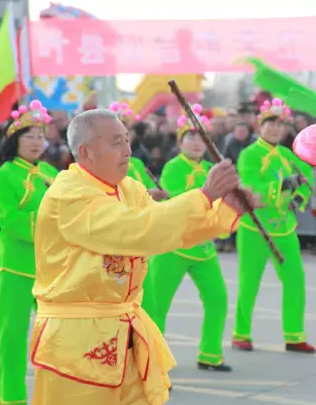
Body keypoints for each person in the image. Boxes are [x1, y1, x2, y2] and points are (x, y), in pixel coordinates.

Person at [29, 109, 259, 405]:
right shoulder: (70, 194)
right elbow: (137, 230)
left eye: (127, 140)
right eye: (115, 143)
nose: (128, 150)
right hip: (77, 341)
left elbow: (166, 227)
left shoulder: (128, 189)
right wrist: (203, 196)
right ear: (86, 152)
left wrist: (226, 210)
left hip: (125, 332)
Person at [142, 106, 232, 372]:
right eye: (190, 137)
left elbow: (223, 202)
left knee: (218, 299)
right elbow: (180, 199)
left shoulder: (212, 168)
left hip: (203, 247)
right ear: (180, 142)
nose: (196, 143)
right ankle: (153, 365)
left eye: (201, 137)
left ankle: (210, 353)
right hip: (174, 246)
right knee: (157, 307)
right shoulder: (173, 167)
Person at [0, 100, 59, 405]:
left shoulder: (53, 172)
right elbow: (10, 221)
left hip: (52, 267)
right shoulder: (3, 176)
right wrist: (53, 225)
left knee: (58, 338)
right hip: (15, 267)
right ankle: (12, 399)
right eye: (29, 136)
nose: (36, 141)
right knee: (12, 338)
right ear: (14, 141)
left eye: (41, 136)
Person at [232, 98, 316, 354]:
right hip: (255, 228)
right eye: (271, 123)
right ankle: (241, 333)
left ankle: (294, 335)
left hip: (284, 228)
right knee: (250, 281)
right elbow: (250, 185)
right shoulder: (249, 154)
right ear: (260, 126)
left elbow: (307, 176)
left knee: (295, 280)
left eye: (280, 124)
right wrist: (283, 185)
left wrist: (299, 196)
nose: (276, 129)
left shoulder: (288, 155)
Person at [109, 103, 167, 201]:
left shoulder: (138, 163)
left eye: (127, 132)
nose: (124, 137)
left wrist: (159, 193)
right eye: (116, 133)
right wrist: (147, 194)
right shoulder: (105, 165)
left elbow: (153, 186)